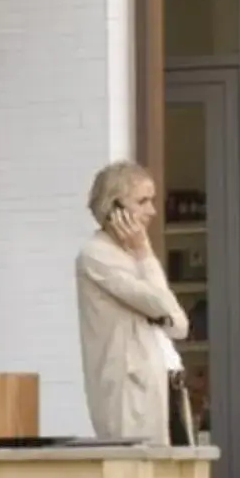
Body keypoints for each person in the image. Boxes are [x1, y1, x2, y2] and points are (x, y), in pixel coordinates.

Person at [77, 160, 192, 444]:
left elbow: (179, 325)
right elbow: (159, 303)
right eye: (142, 202)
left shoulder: (134, 256)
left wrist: (142, 255)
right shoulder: (97, 255)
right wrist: (144, 251)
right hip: (132, 391)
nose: (152, 211)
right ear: (114, 208)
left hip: (167, 383)